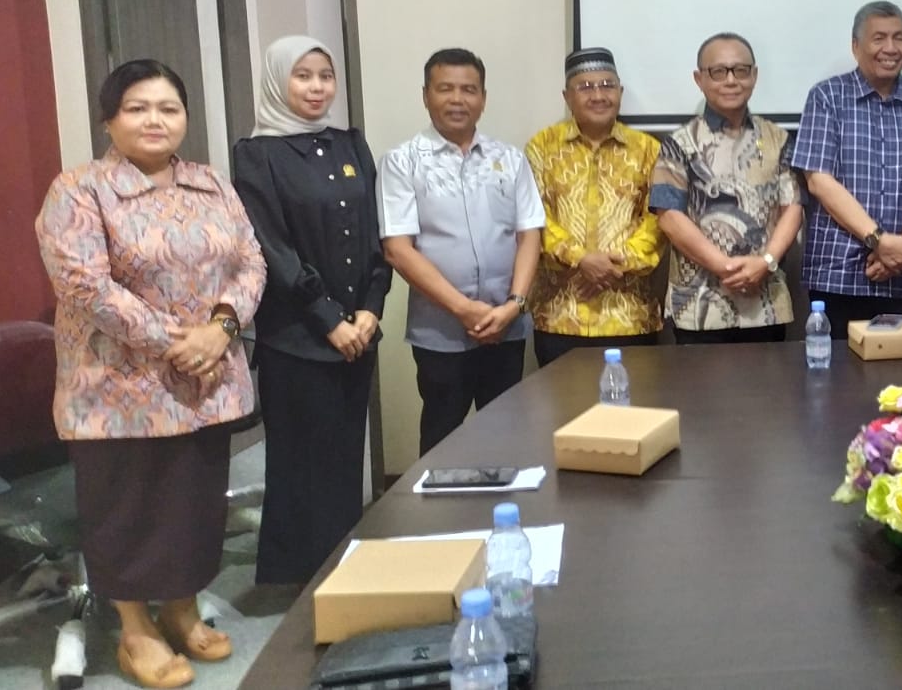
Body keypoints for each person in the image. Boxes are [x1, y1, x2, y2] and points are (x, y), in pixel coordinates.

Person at [36, 60, 266, 687]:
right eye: (138, 107)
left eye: (168, 107)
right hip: (116, 390)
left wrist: (220, 329)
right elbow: (85, 285)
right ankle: (136, 631)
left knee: (193, 502)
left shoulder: (210, 182)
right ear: (110, 118)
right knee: (128, 508)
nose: (155, 120)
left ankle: (183, 611)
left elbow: (250, 261)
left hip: (206, 380)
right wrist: (175, 340)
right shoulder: (80, 189)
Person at [231, 36, 390, 585]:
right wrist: (330, 320)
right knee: (302, 462)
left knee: (346, 456)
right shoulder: (256, 155)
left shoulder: (350, 144)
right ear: (278, 81)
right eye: (303, 76)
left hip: (358, 335)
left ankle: (343, 565)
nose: (317, 87)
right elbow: (272, 249)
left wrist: (371, 308)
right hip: (297, 336)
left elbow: (375, 234)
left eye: (325, 75)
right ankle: (296, 578)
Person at [379, 48, 544, 456]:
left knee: (508, 436)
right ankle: (439, 521)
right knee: (442, 437)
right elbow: (398, 249)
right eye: (446, 89)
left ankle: (507, 516)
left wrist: (515, 303)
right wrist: (463, 309)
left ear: (483, 98)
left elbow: (530, 234)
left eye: (469, 90)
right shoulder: (402, 162)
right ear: (426, 95)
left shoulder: (510, 158)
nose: (458, 99)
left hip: (507, 326)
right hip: (440, 332)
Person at [790, 1, 902, 336]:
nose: (890, 48)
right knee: (835, 385)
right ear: (856, 46)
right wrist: (878, 240)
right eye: (879, 38)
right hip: (840, 276)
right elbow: (818, 180)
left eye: (899, 38)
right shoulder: (827, 97)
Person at [649, 33, 803, 343]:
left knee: (769, 392)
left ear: (754, 76)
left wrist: (766, 263)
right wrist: (727, 267)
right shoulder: (679, 143)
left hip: (766, 304)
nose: (731, 80)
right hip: (699, 309)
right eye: (719, 72)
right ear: (699, 79)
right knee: (700, 393)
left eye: (740, 70)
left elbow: (793, 207)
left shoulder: (778, 139)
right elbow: (669, 216)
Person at [526, 47, 663, 365]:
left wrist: (614, 265)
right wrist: (581, 259)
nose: (598, 95)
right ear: (567, 96)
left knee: (632, 412)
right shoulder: (542, 147)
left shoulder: (648, 150)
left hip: (630, 315)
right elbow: (533, 218)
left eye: (607, 85)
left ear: (620, 92)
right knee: (565, 414)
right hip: (560, 316)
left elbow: (658, 221)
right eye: (586, 87)